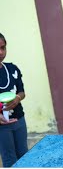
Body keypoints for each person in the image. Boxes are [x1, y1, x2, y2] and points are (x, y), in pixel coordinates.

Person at [0, 33, 28, 167]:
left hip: (19, 120)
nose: (1, 52)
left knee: (25, 155)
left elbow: (22, 91)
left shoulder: (12, 69)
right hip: (1, 126)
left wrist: (17, 98)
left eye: (3, 48)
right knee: (9, 159)